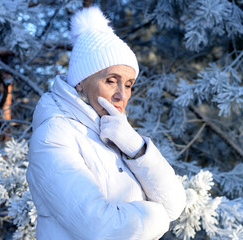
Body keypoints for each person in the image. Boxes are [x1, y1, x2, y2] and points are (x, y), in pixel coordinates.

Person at [26, 6, 186, 240]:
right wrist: (159, 217)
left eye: (129, 84)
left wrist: (136, 147)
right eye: (112, 81)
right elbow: (100, 228)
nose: (122, 94)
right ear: (80, 82)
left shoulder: (115, 133)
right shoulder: (54, 135)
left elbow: (174, 203)